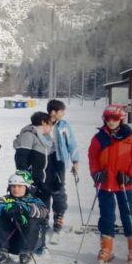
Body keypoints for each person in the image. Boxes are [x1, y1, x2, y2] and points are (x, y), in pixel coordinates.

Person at [89, 104, 132, 264]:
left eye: (115, 119)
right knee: (106, 215)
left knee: (127, 213)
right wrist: (96, 173)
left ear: (121, 119)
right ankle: (106, 248)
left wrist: (130, 175)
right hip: (105, 182)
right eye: (108, 118)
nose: (111, 122)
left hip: (123, 183)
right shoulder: (99, 137)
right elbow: (92, 158)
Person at [12, 111, 54, 254]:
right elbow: (21, 160)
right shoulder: (28, 135)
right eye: (50, 124)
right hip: (31, 183)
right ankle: (27, 245)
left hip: (41, 181)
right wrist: (29, 182)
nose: (51, 127)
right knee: (31, 214)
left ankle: (39, 244)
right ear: (43, 122)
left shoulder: (43, 138)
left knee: (43, 212)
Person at [0, 171, 49, 264]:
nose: (16, 189)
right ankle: (1, 250)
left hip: (30, 242)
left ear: (26, 187)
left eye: (19, 186)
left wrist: (25, 210)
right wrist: (7, 209)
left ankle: (26, 253)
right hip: (9, 241)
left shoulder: (34, 200)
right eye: (13, 186)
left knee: (33, 218)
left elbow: (44, 211)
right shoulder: (6, 199)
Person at [47, 99, 80, 234]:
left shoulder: (64, 125)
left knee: (58, 188)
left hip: (59, 160)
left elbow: (71, 143)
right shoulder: (42, 122)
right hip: (44, 159)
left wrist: (75, 161)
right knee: (42, 188)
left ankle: (58, 215)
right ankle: (42, 217)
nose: (64, 113)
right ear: (53, 112)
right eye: (62, 111)